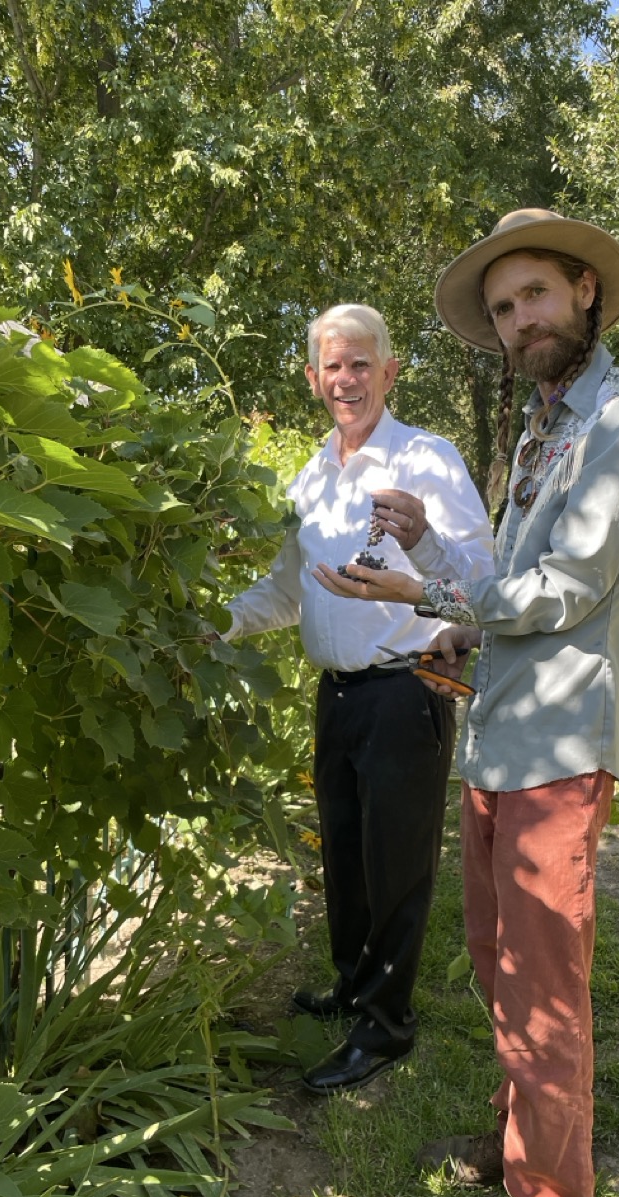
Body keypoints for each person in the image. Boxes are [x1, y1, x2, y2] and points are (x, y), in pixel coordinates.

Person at [314, 210, 619, 1197]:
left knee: (547, 985)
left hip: (563, 740)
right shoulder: (544, 422)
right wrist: (436, 565)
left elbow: (566, 588)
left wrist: (415, 584)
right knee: (495, 964)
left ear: (584, 290)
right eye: (504, 305)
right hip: (500, 730)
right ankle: (518, 1145)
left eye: (535, 295)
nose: (520, 318)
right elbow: (512, 579)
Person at [222, 303, 493, 1095]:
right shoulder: (310, 477)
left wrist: (417, 550)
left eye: (361, 364)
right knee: (343, 851)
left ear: (390, 370)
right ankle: (351, 984)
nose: (347, 379)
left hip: (406, 691)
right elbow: (282, 592)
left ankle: (386, 1026)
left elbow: (481, 596)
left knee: (395, 861)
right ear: (313, 379)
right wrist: (215, 628)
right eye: (332, 367)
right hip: (335, 694)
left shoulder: (430, 461)